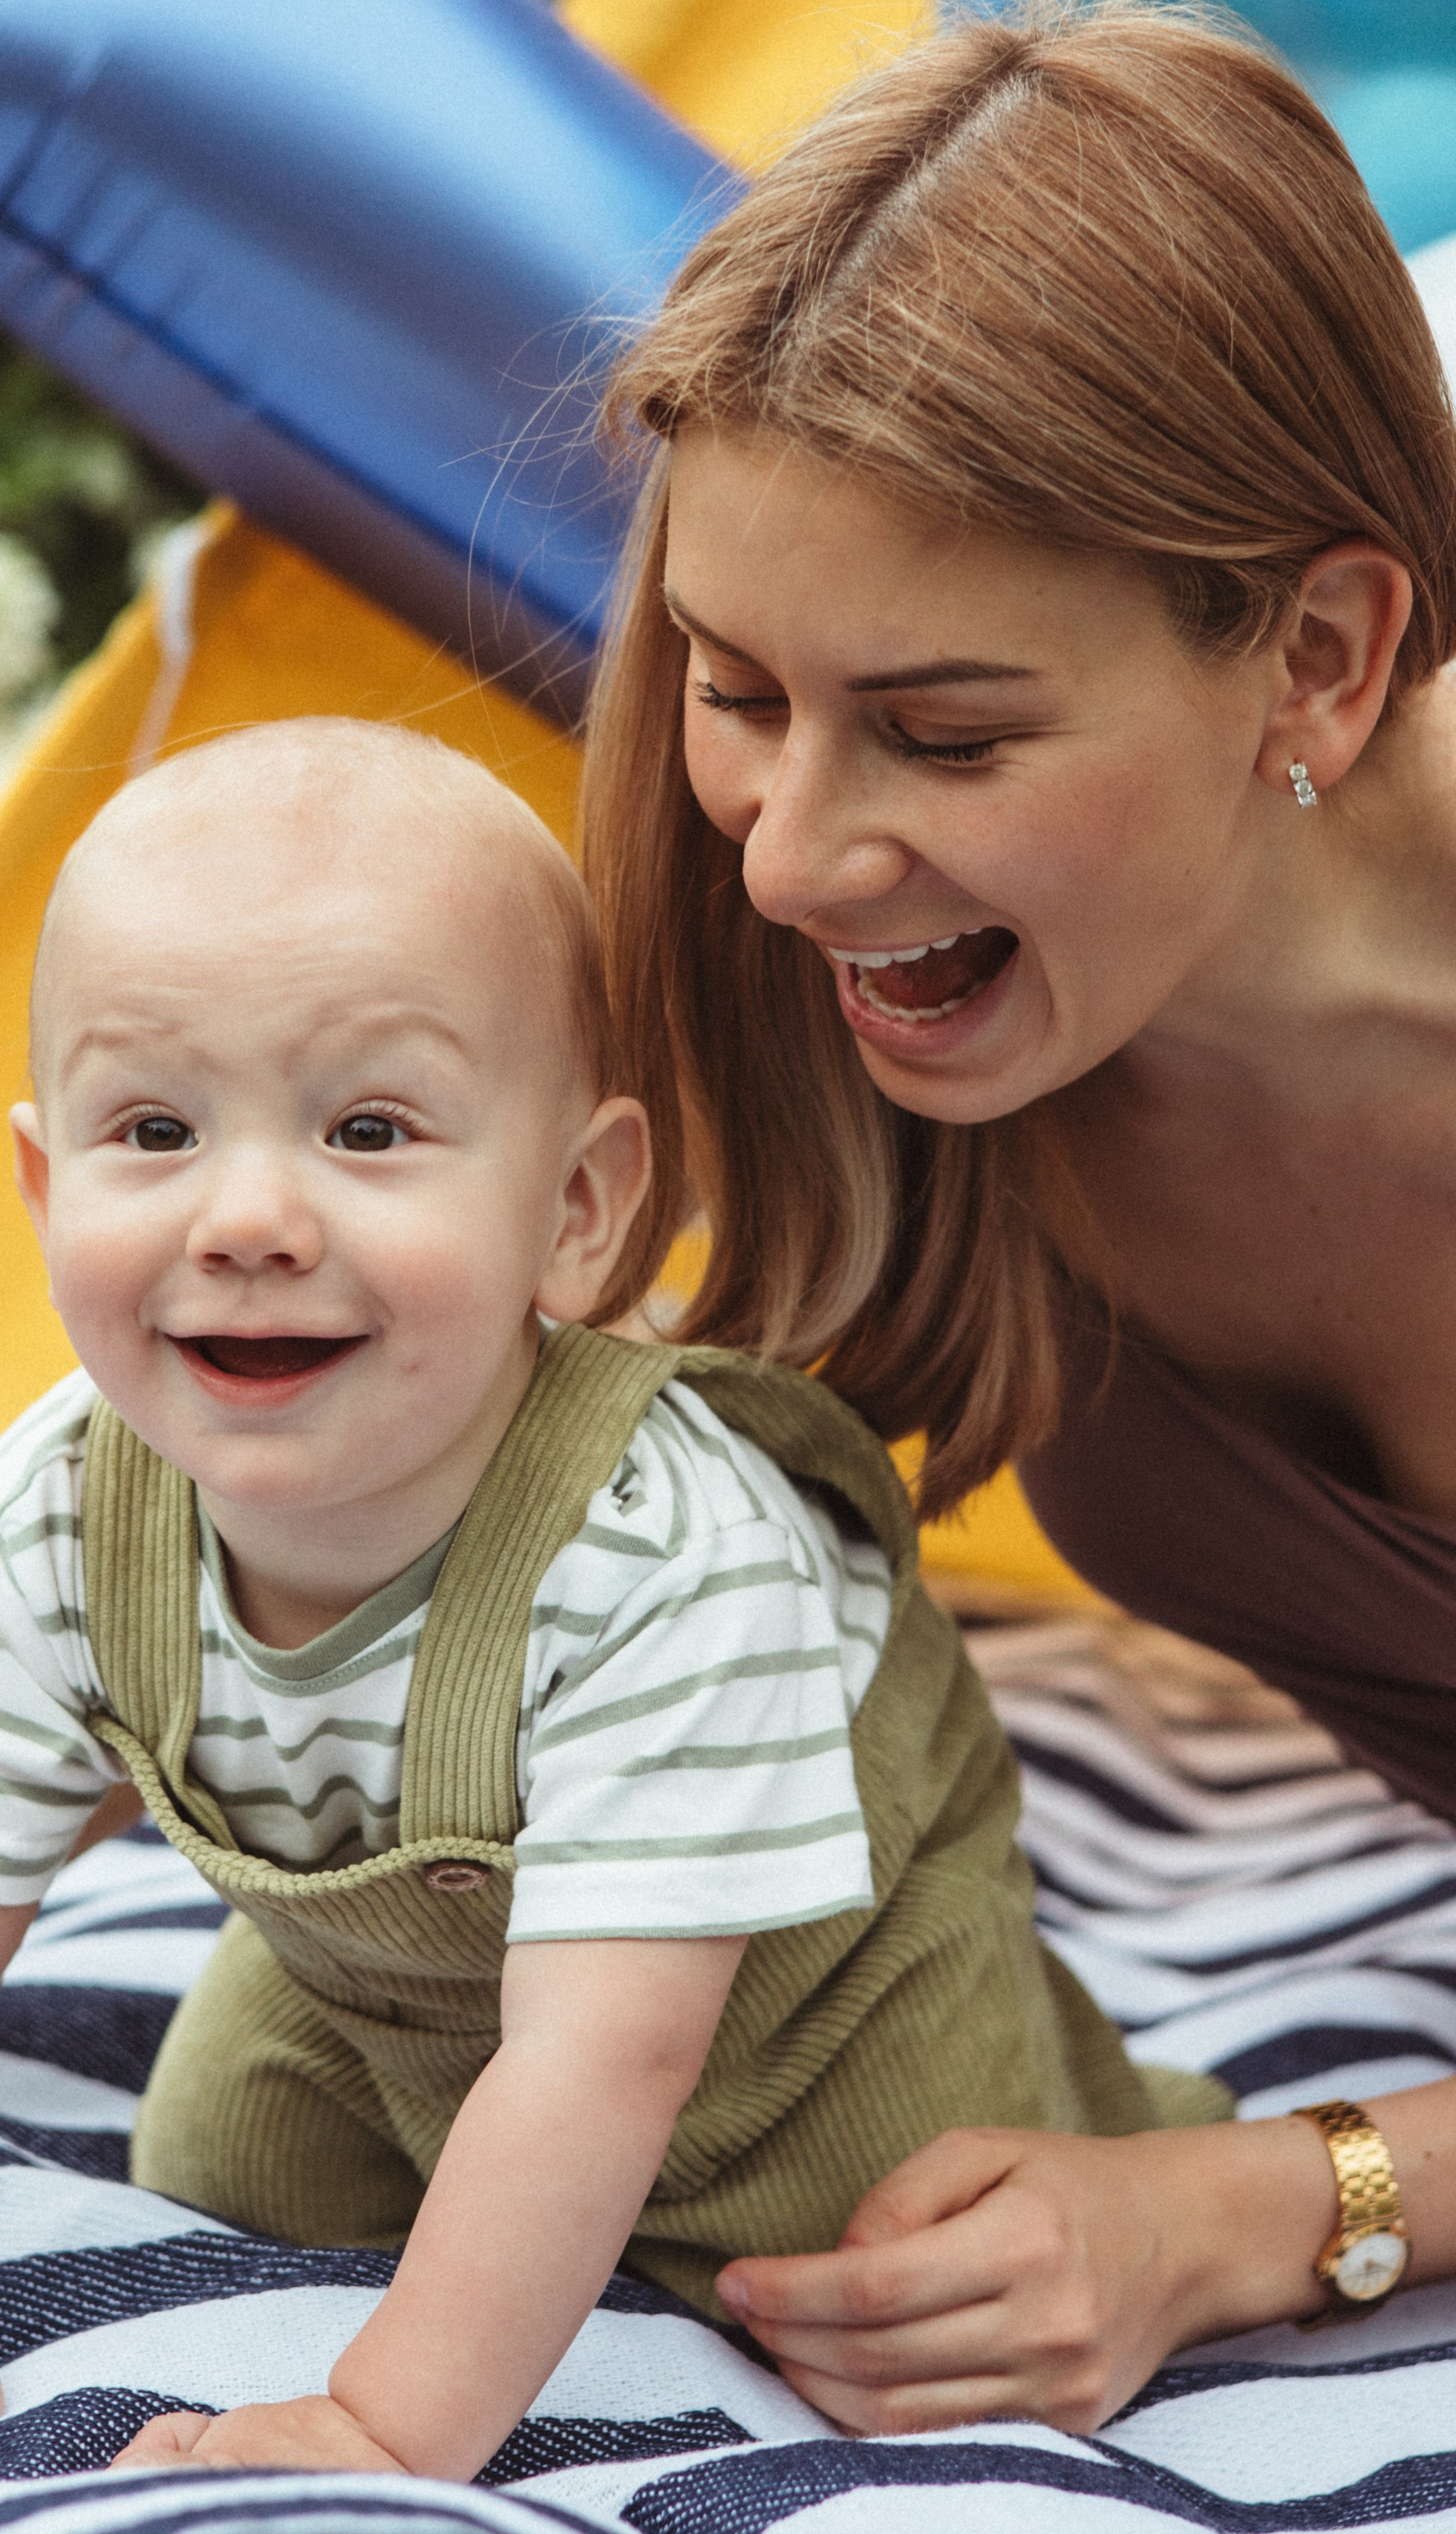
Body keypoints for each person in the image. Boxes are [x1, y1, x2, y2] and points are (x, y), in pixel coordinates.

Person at [0, 718, 1208, 2474]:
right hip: (402, 2011)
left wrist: (380, 2425)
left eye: (369, 1128)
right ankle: (462, 2209)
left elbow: (605, 2059)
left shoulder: (654, 1550)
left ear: (575, 1210)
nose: (247, 1218)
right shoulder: (58, 1508)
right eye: (155, 1129)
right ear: (43, 1191)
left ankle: (1087, 2141)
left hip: (802, 2027)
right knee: (219, 2159)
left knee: (899, 2286)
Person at [576, 0, 1456, 2446]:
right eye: (735, 688)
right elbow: (426, 1451)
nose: (788, 855)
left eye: (948, 734)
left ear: (1321, 657)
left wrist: (1277, 2199)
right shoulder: (880, 962)